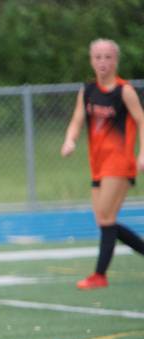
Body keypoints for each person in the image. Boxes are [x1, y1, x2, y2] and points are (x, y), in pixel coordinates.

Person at [61, 38, 144, 289]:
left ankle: (99, 275)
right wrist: (70, 140)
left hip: (118, 163)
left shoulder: (124, 91)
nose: (103, 62)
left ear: (116, 60)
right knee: (104, 220)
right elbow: (77, 120)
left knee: (106, 218)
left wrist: (143, 153)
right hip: (97, 164)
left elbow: (141, 120)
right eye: (98, 57)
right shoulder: (87, 91)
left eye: (108, 57)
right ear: (91, 60)